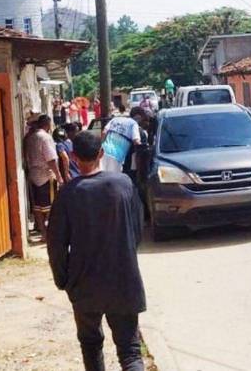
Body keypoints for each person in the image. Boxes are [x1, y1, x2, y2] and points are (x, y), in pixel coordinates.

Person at [47, 131, 146, 371]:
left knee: (91, 345)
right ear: (101, 153)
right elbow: (138, 228)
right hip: (123, 280)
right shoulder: (123, 184)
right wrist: (127, 253)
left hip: (84, 283)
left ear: (73, 156)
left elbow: (56, 244)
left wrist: (63, 280)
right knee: (130, 351)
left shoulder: (68, 194)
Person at [24, 115, 63, 241]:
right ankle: (52, 233)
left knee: (37, 208)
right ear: (48, 124)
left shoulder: (29, 138)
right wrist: (59, 176)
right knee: (51, 207)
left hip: (33, 175)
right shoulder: (45, 137)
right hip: (46, 175)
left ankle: (44, 234)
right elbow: (51, 159)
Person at [101, 107, 146, 172]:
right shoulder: (133, 124)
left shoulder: (115, 119)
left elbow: (104, 132)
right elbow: (136, 141)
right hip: (117, 157)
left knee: (100, 176)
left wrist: (102, 145)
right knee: (112, 179)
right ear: (138, 116)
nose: (141, 121)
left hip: (103, 152)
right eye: (142, 118)